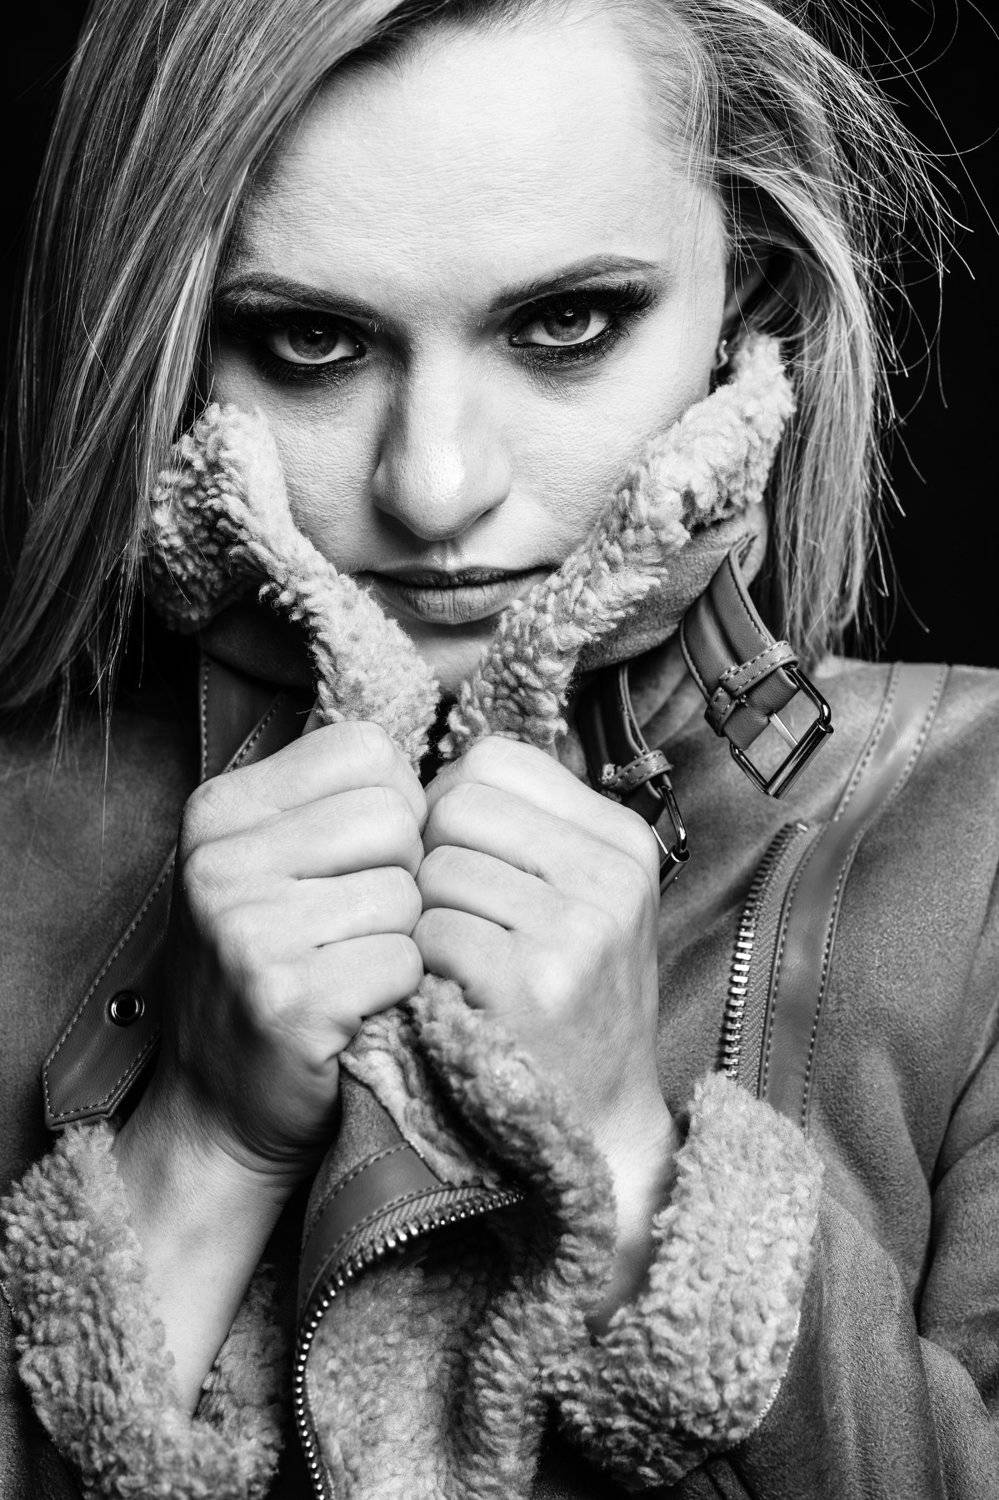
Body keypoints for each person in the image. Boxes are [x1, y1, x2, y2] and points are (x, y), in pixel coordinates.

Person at [0, 0, 996, 1495]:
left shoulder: (980, 825)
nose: (436, 483)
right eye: (310, 339)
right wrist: (198, 1153)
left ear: (746, 289)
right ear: (166, 332)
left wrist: (636, 1168)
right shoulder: (17, 833)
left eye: (564, 325)